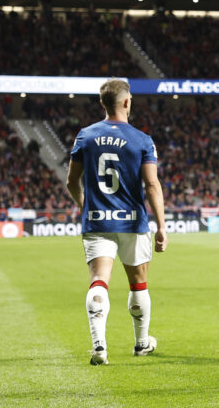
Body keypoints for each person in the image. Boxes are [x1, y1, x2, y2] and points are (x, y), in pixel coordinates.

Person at [66, 78, 167, 365]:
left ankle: (99, 345)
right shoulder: (142, 139)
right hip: (133, 221)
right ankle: (140, 343)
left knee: (99, 281)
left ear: (102, 103)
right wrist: (161, 225)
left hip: (97, 221)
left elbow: (72, 181)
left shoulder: (85, 136)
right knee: (138, 283)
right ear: (126, 102)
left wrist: (86, 206)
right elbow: (151, 185)